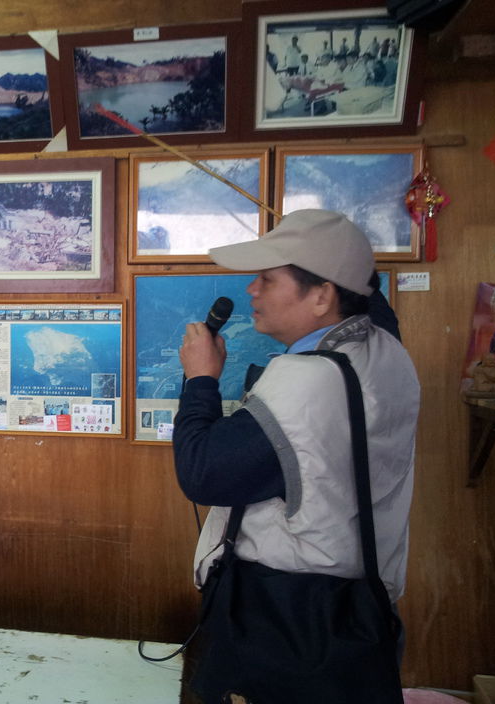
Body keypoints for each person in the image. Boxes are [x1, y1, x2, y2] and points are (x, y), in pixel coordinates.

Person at [173, 209, 419, 698]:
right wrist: (331, 241)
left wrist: (200, 379)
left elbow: (203, 473)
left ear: (323, 295)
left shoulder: (307, 383)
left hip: (288, 622)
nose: (251, 290)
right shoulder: (385, 348)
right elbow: (371, 297)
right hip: (360, 609)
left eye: (267, 278)